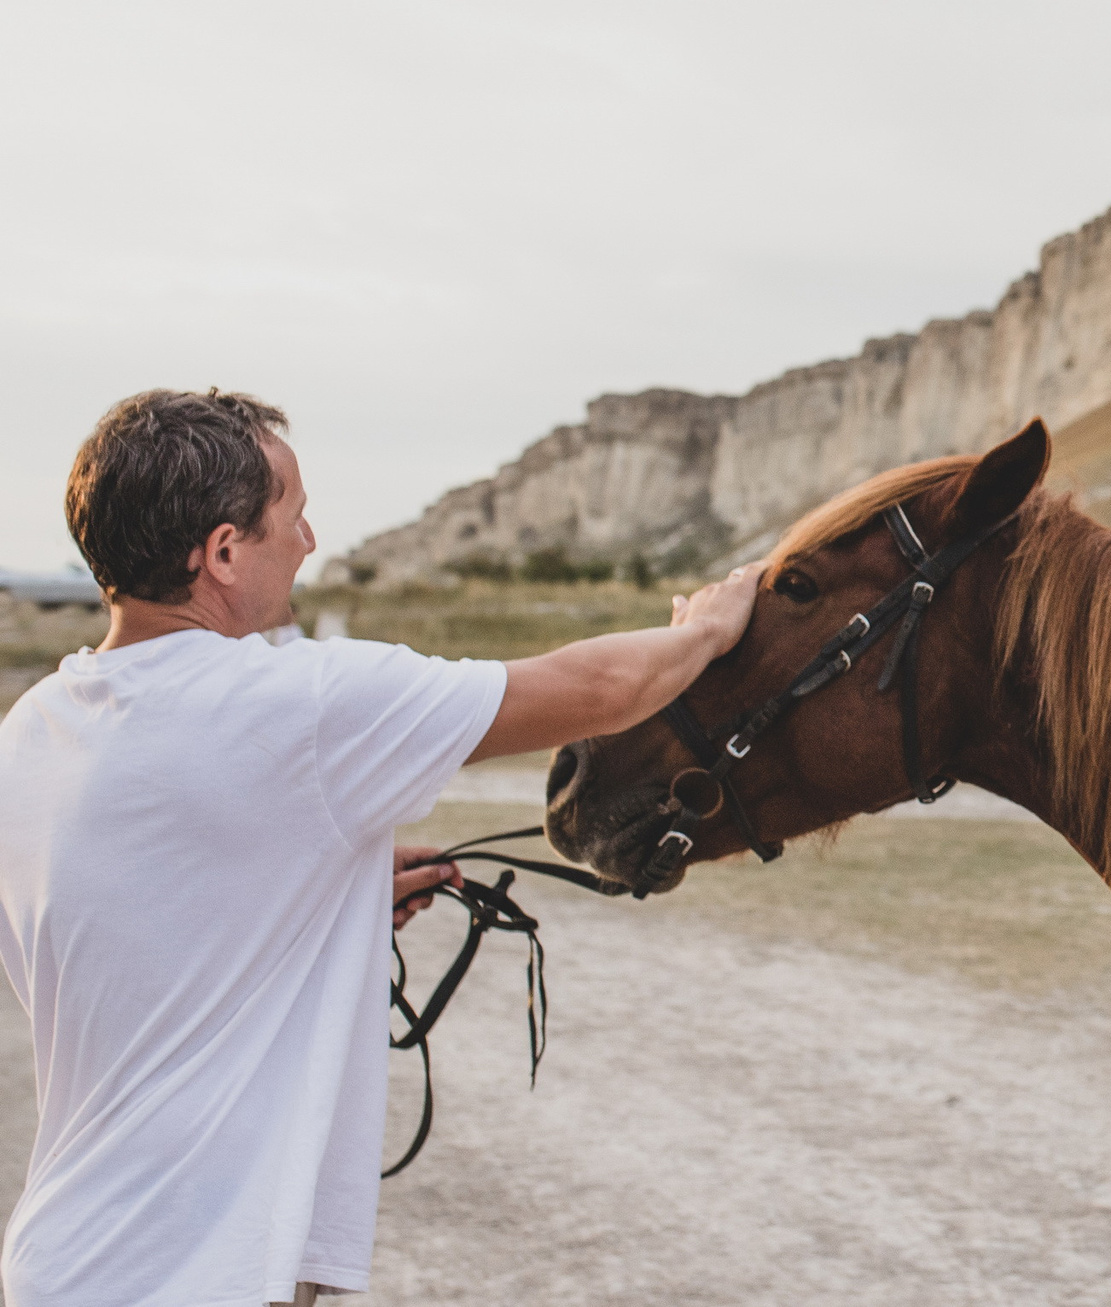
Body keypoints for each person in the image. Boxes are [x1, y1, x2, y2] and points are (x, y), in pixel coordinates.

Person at [0, 390, 760, 1307]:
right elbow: (599, 687)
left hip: (63, 1259)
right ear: (223, 552)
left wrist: (319, 892)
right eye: (292, 513)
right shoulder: (298, 702)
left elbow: (136, 936)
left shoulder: (33, 729)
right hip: (196, 1272)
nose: (309, 540)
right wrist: (707, 627)